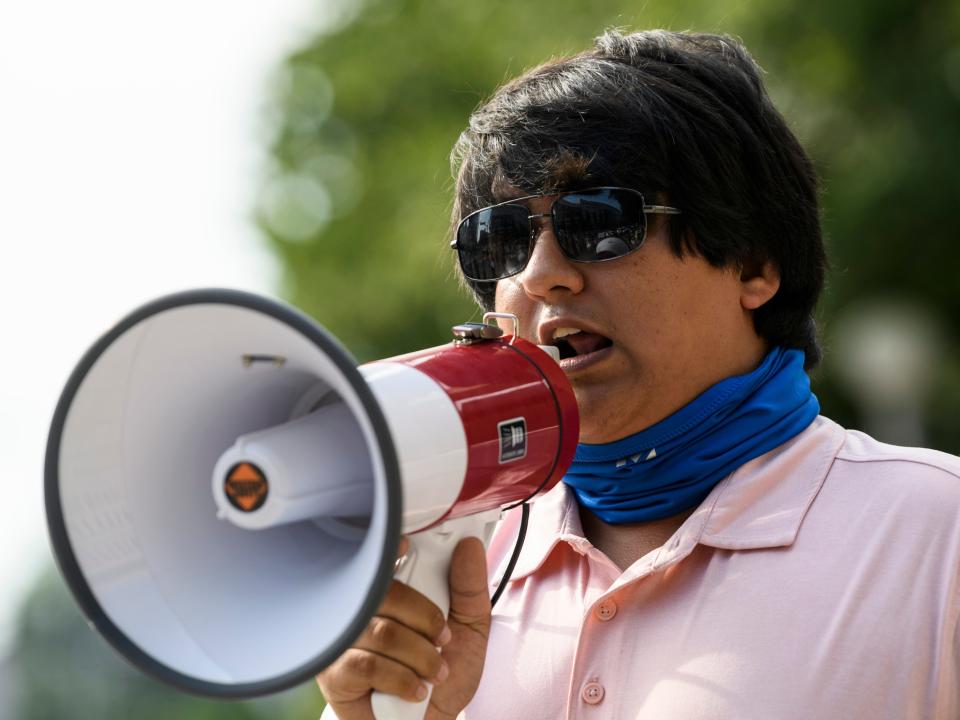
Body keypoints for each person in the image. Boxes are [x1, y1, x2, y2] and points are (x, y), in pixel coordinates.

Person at [317, 29, 960, 719]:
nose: (539, 275)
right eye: (499, 240)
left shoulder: (938, 536)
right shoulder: (445, 565)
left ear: (753, 263)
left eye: (597, 220)